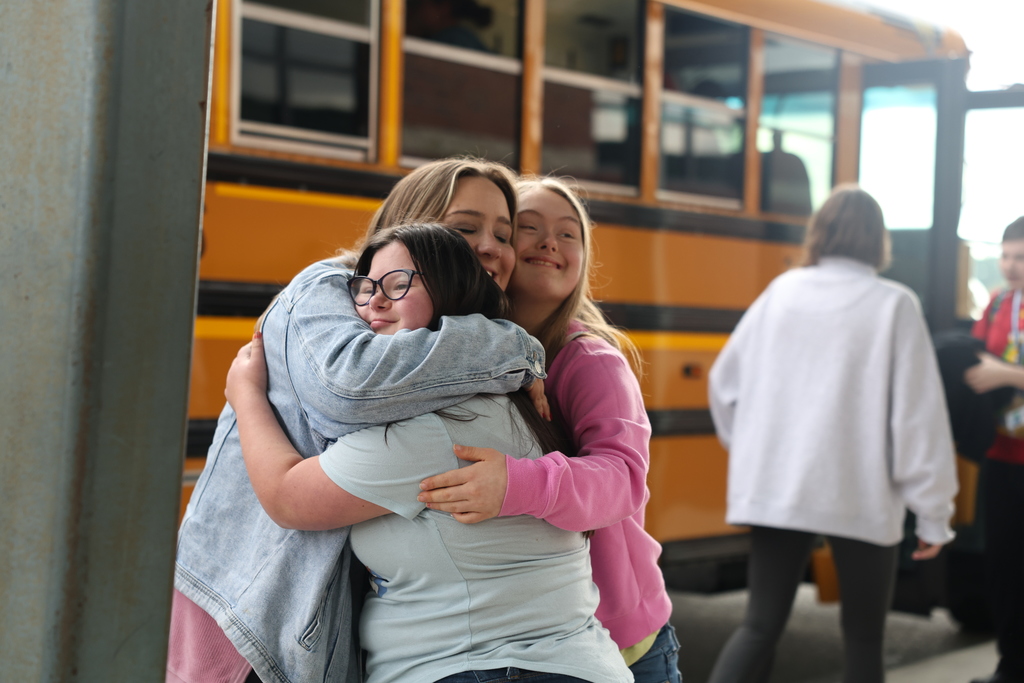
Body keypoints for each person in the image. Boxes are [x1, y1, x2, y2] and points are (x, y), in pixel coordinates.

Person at [169, 158, 544, 683]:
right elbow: (347, 391)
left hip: (331, 620)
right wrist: (516, 349)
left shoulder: (443, 346)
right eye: (464, 228)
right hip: (250, 603)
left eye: (504, 234)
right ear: (412, 225)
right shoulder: (331, 286)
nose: (491, 246)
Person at [226, 222, 632, 683]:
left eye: (399, 286)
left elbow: (286, 497)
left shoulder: (434, 430)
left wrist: (246, 395)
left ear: (450, 294)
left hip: (486, 670)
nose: (376, 301)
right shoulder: (508, 398)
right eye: (364, 288)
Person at [416, 177, 681, 682]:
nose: (549, 242)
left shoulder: (589, 359)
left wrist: (516, 484)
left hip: (616, 642)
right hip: (524, 635)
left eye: (568, 234)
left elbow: (623, 478)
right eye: (528, 228)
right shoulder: (473, 352)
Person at [705, 184, 958, 683]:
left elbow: (723, 383)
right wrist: (934, 514)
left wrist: (755, 449)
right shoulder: (894, 304)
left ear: (818, 233)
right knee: (864, 641)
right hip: (859, 493)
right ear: (878, 240)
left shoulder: (782, 292)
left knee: (759, 627)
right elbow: (918, 418)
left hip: (777, 486)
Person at [964, 216, 1024, 683]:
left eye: (1020, 257)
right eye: (1006, 255)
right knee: (1003, 564)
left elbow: (995, 368)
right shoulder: (999, 304)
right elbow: (974, 356)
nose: (1010, 265)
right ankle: (1010, 663)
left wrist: (1006, 376)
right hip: (1002, 456)